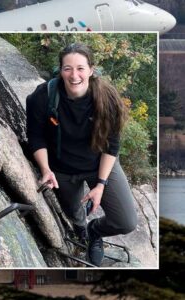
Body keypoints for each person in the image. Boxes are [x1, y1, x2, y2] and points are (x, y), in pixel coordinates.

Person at [26, 43, 137, 266]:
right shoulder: (42, 97)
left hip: (99, 164)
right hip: (62, 169)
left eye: (80, 68)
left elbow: (111, 146)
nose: (74, 75)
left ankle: (94, 231)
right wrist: (46, 169)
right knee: (74, 213)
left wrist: (101, 184)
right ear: (60, 70)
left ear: (91, 70)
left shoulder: (107, 100)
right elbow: (35, 137)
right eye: (67, 68)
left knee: (126, 222)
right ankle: (82, 232)